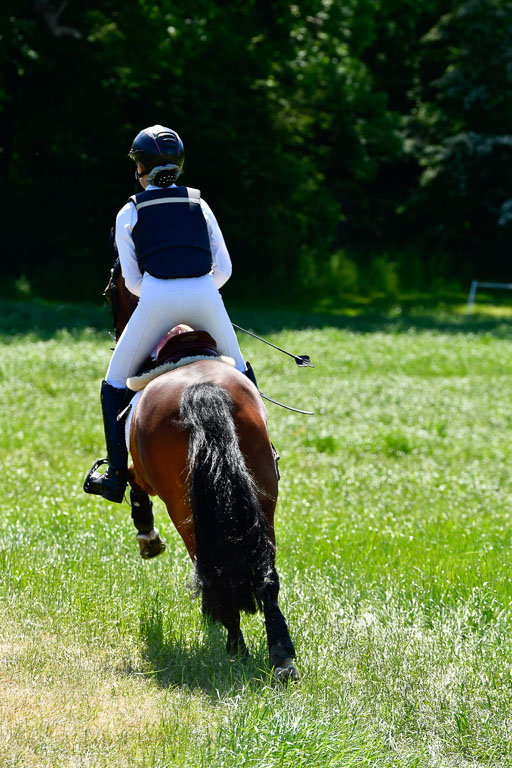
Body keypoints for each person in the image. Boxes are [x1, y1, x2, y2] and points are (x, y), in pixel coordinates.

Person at [84, 124, 256, 504]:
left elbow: (130, 282)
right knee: (241, 372)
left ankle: (115, 475)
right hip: (206, 297)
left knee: (113, 384)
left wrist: (166, 294)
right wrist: (198, 291)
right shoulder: (200, 203)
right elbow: (224, 269)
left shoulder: (129, 211)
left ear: (140, 168)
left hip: (156, 298)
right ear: (179, 165)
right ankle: (264, 453)